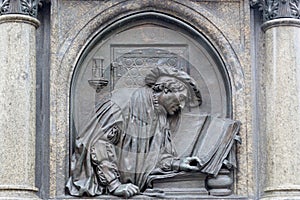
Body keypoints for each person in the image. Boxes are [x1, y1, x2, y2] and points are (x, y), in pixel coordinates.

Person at [66, 66, 203, 198]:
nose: (182, 106)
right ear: (166, 89)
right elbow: (98, 144)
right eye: (182, 98)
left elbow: (155, 158)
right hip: (108, 186)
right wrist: (114, 185)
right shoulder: (121, 102)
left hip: (135, 189)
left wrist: (178, 164)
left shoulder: (161, 116)